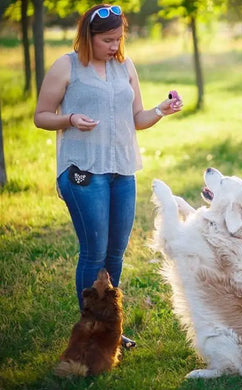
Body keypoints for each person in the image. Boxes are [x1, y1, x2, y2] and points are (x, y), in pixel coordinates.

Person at [34, 4, 182, 348]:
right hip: (83, 171)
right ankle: (92, 331)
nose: (114, 46)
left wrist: (161, 109)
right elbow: (41, 116)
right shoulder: (66, 66)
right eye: (107, 40)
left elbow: (138, 119)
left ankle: (108, 327)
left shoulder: (125, 66)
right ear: (89, 37)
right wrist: (70, 119)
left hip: (122, 170)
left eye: (119, 39)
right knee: (94, 251)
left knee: (115, 253)